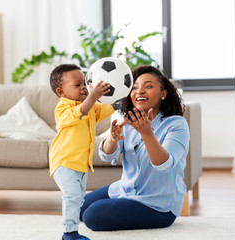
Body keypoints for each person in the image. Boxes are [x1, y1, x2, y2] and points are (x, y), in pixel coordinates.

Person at [80, 65, 190, 231]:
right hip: (125, 189)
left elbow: (165, 165)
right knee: (76, 207)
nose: (140, 91)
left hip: (157, 205)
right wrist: (113, 138)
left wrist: (147, 133)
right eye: (135, 87)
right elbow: (108, 156)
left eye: (148, 86)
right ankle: (119, 205)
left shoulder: (176, 124)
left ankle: (119, 207)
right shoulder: (128, 120)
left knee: (92, 215)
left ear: (163, 94)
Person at [49, 64, 115, 240]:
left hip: (81, 164)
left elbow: (106, 109)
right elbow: (79, 112)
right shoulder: (62, 108)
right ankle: (69, 233)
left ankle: (72, 231)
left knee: (78, 198)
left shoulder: (91, 106)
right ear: (61, 92)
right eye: (77, 85)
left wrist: (120, 101)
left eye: (84, 83)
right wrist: (93, 97)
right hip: (64, 162)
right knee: (72, 196)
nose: (84, 88)